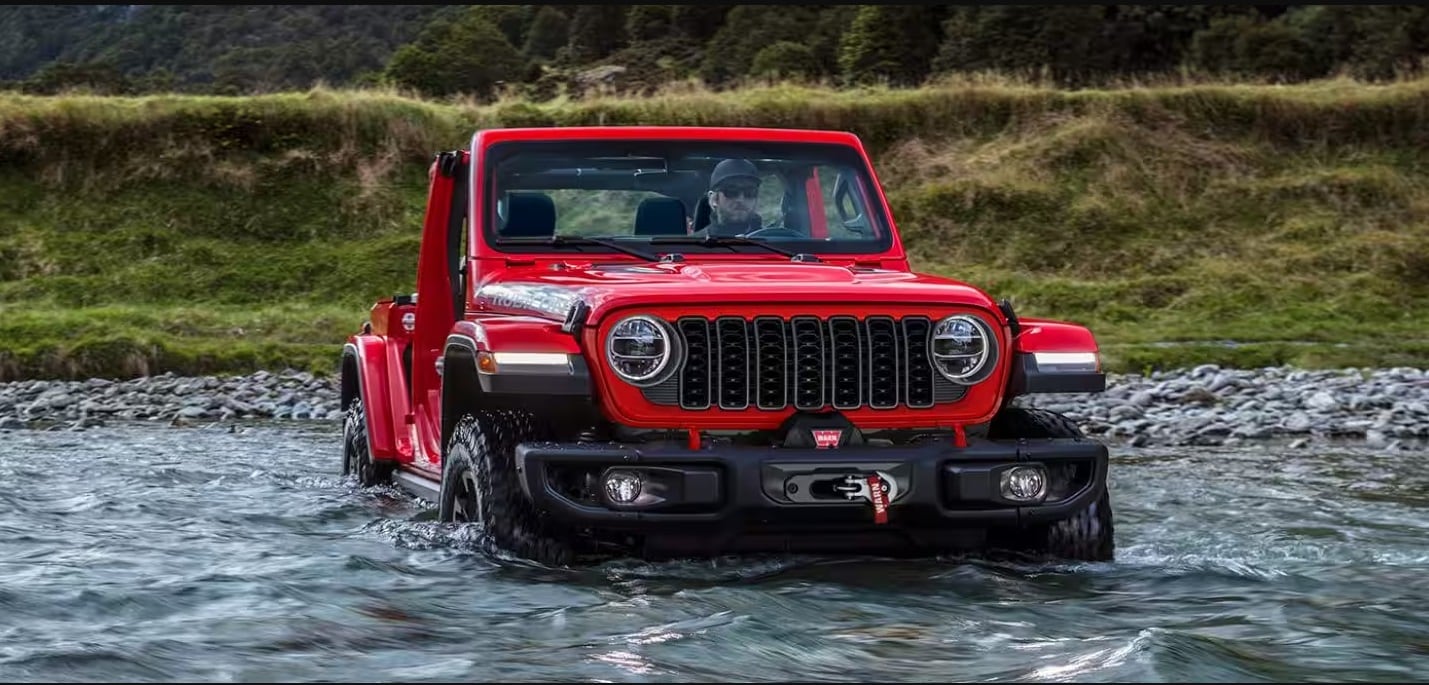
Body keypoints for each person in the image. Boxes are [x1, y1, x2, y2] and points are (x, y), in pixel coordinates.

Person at [697, 158, 765, 237]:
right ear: (713, 199)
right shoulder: (693, 245)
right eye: (731, 192)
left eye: (749, 193)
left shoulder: (773, 243)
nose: (740, 199)